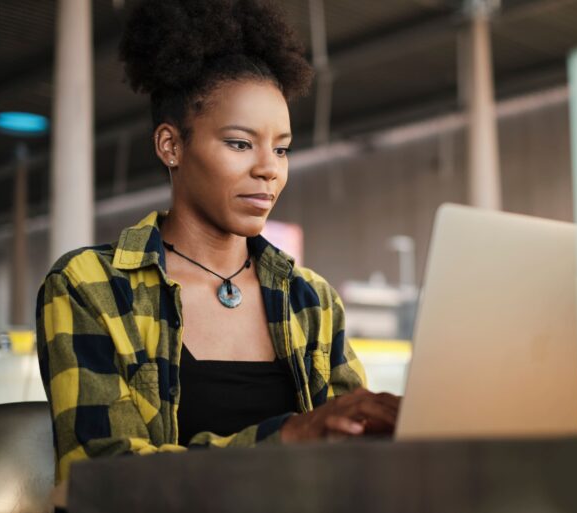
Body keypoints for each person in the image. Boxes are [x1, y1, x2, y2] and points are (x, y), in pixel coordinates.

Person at [36, 0, 400, 486]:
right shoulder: (90, 287)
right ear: (172, 146)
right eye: (240, 143)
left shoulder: (309, 300)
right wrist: (292, 436)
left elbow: (352, 467)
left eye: (282, 148)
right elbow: (102, 473)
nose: (269, 168)